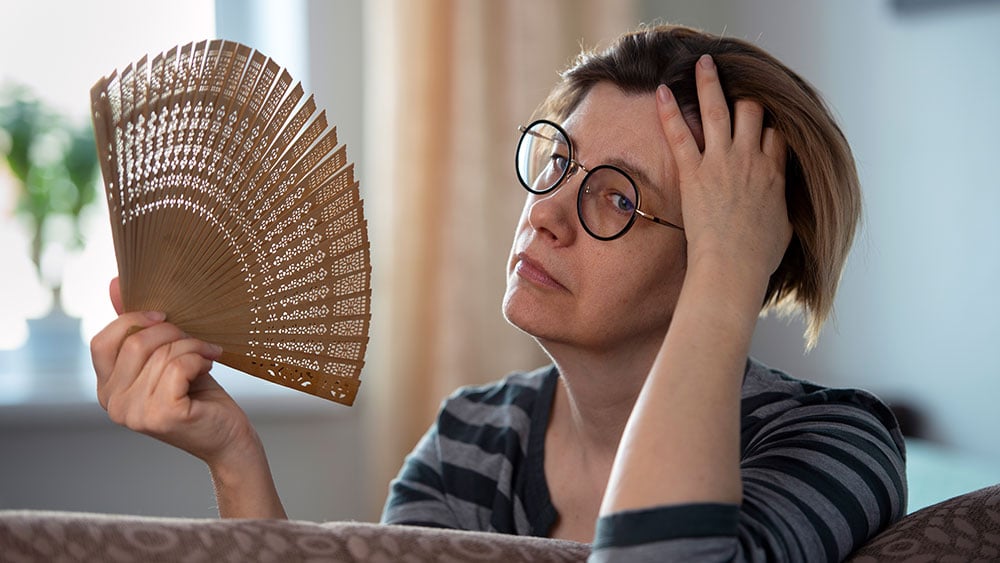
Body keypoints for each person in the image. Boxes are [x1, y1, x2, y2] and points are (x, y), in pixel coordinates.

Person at [90, 23, 906, 562]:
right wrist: (233, 456)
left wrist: (729, 282)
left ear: (730, 250)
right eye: (559, 162)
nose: (545, 212)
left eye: (617, 198)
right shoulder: (472, 441)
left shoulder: (835, 441)